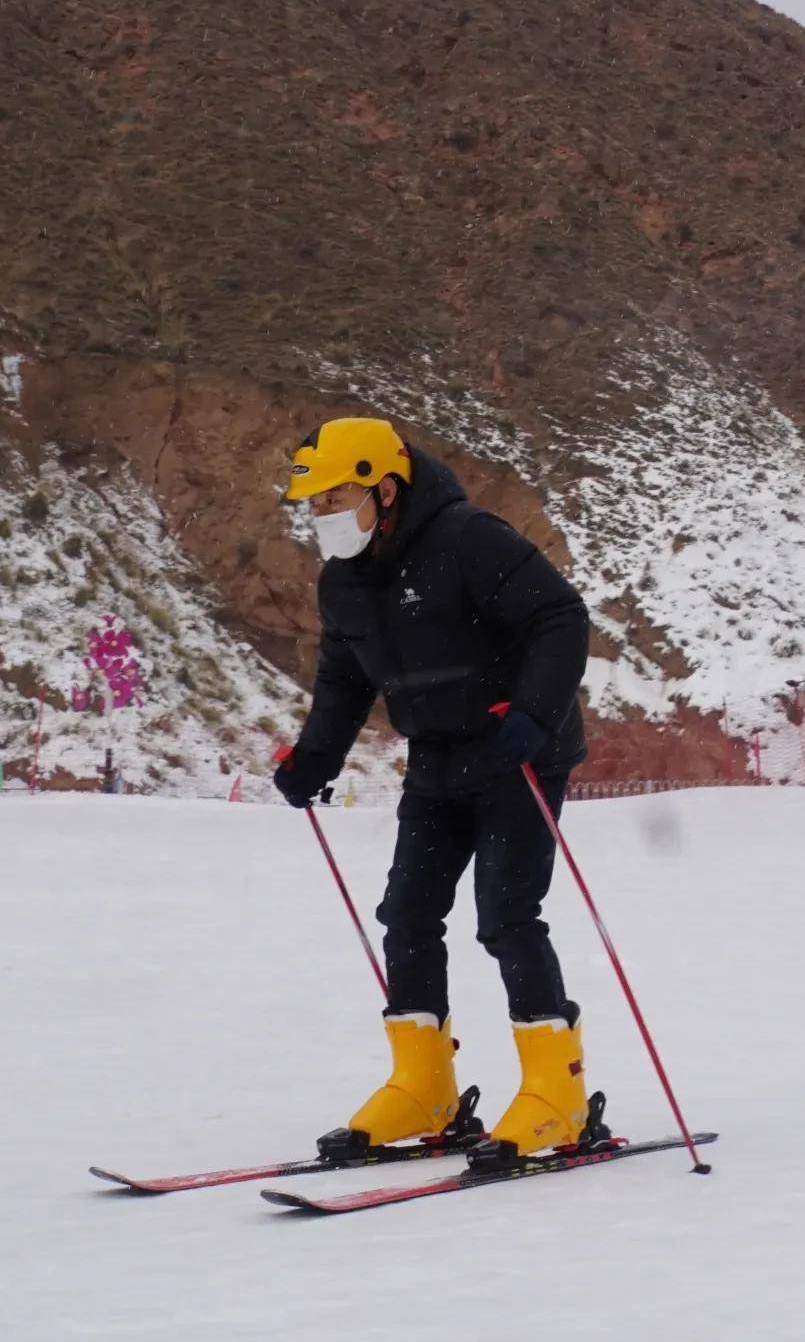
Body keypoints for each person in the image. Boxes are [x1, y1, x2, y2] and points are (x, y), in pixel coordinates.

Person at [270, 417, 595, 1163]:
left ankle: (558, 1096)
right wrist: (314, 761)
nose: (322, 518)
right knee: (407, 913)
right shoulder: (343, 581)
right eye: (313, 505)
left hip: (518, 754)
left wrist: (537, 715)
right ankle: (424, 1087)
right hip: (438, 759)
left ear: (386, 488)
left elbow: (560, 616)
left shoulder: (467, 539)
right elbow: (343, 680)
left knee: (507, 916)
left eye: (335, 499)